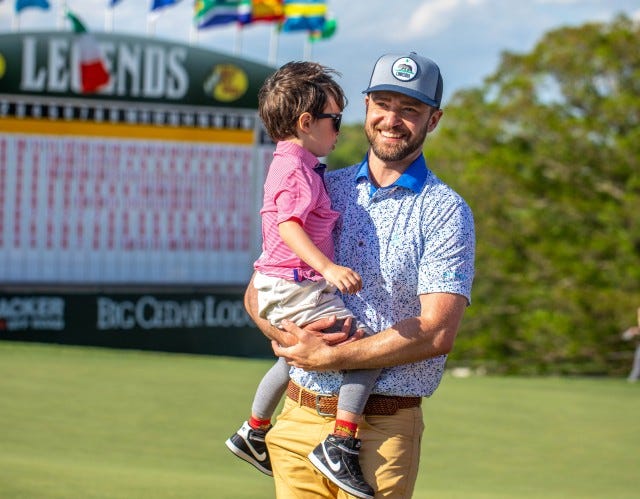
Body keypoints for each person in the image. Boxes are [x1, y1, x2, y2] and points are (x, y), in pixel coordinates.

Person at [244, 51, 476, 498]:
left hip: (381, 429)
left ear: (434, 120)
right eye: (383, 104)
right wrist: (293, 340)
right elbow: (258, 290)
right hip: (297, 420)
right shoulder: (321, 183)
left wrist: (330, 356)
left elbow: (435, 332)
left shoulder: (446, 211)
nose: (393, 119)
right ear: (366, 108)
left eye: (410, 109)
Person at [225, 61, 379, 499]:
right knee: (364, 349)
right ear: (306, 122)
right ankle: (340, 444)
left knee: (293, 356)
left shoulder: (288, 164)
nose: (339, 130)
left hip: (279, 282)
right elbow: (290, 226)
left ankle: (253, 431)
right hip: (295, 281)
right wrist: (329, 269)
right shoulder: (297, 172)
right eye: (335, 120)